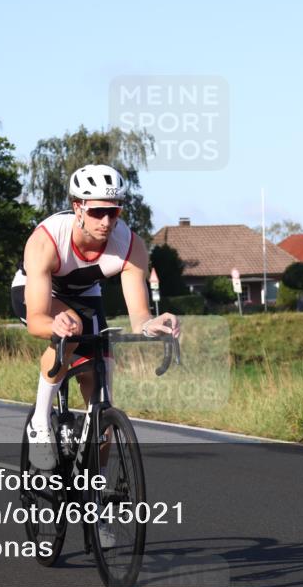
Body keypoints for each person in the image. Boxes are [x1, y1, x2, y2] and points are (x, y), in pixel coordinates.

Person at [11, 164, 180, 472]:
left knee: (101, 398)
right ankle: (40, 422)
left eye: (113, 213)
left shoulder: (130, 246)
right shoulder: (46, 240)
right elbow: (36, 319)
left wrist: (150, 324)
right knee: (71, 327)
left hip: (85, 295)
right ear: (78, 207)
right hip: (35, 293)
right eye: (98, 212)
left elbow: (139, 315)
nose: (106, 221)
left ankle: (95, 493)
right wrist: (55, 324)